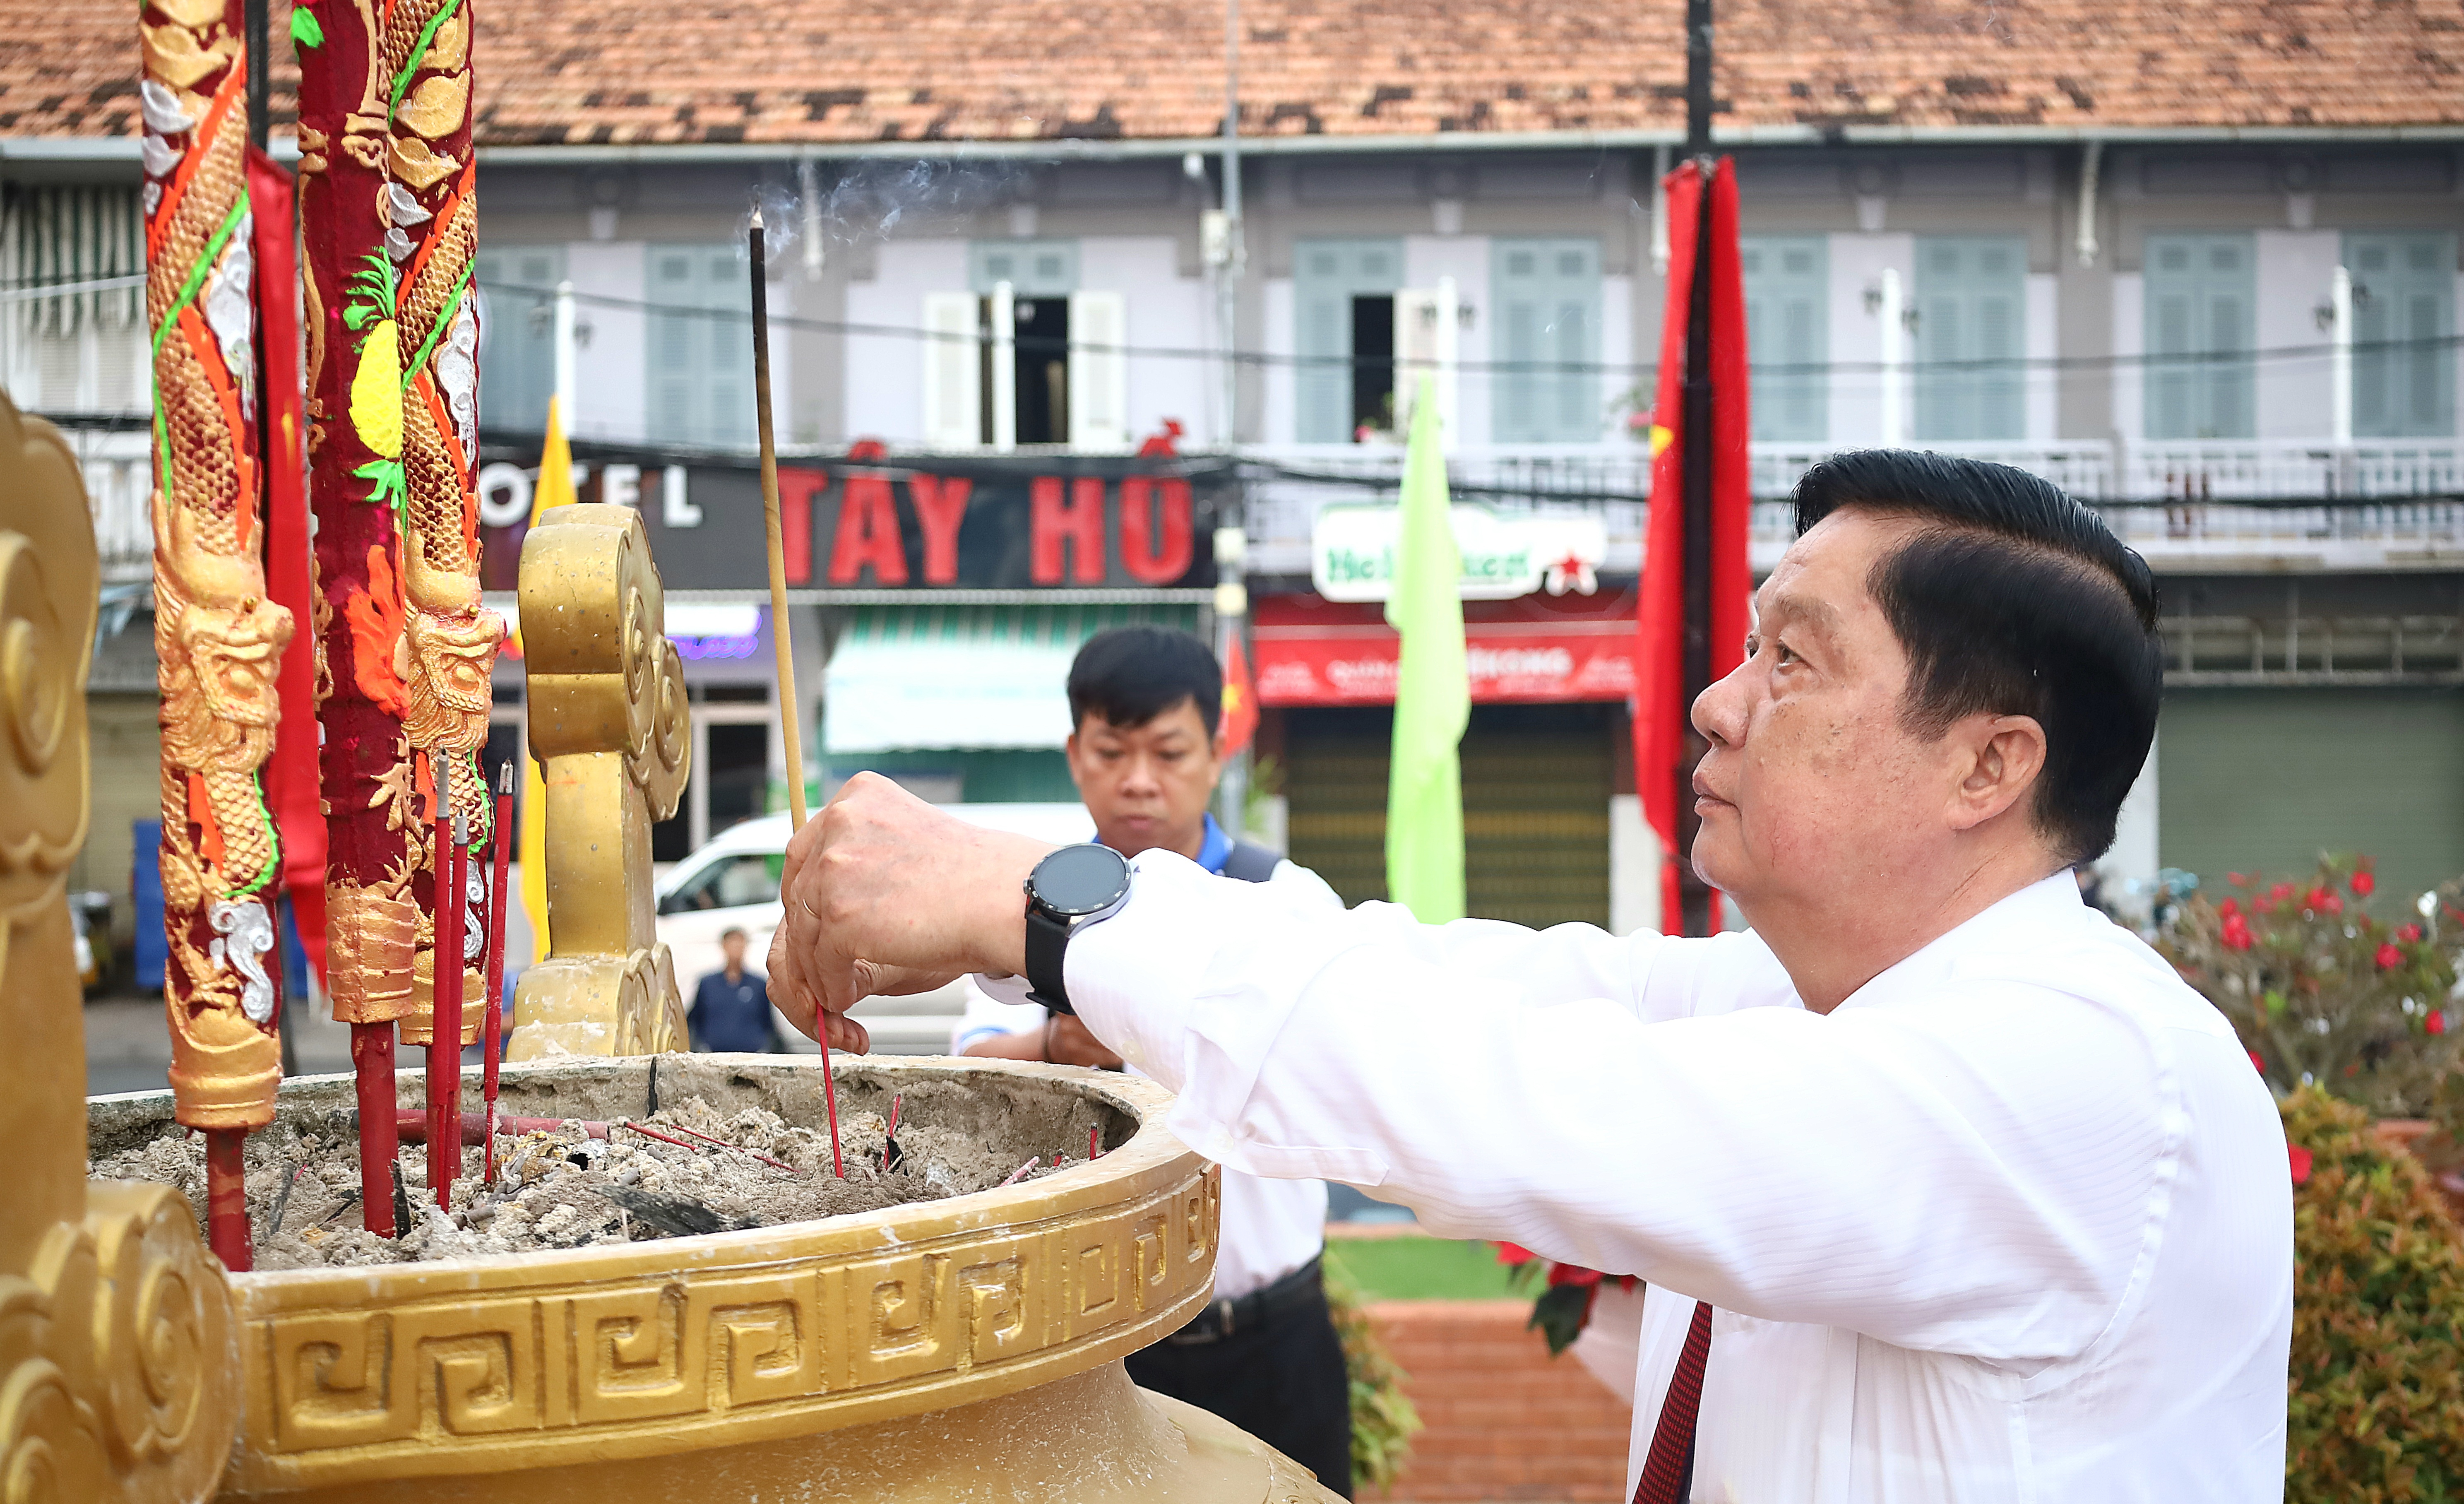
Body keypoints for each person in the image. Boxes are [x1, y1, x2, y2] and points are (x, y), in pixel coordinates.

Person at [770, 452, 2293, 1504]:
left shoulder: (2087, 1069)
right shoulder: (1804, 998)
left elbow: (1533, 1099)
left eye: (1793, 661)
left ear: (1986, 763)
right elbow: (1470, 992)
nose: (1714, 701)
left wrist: (1045, 896)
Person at [950, 625, 1357, 1498]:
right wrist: (1055, 1044)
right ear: (1074, 753)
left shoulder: (1283, 902)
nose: (1139, 778)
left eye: (1168, 750)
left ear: (1216, 750)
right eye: (1111, 749)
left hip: (1274, 1341)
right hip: (1101, 1349)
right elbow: (972, 1074)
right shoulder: (1026, 911)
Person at [686, 928, 775, 1054]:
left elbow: (768, 1022)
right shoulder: (708, 984)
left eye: (740, 945)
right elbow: (695, 1020)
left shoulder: (758, 984)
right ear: (724, 946)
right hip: (713, 1058)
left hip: (753, 1058)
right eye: (732, 945)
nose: (736, 950)